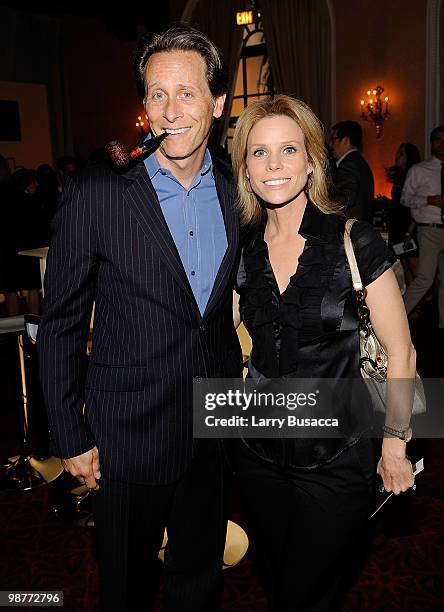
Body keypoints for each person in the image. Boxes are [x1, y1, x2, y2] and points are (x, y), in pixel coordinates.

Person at [38, 24, 243, 612]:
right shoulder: (97, 192)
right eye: (157, 94)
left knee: (200, 576)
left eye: (186, 93)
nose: (171, 110)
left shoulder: (239, 189)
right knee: (125, 584)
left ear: (217, 103)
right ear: (144, 104)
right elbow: (61, 323)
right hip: (124, 432)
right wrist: (70, 434)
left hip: (213, 423)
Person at [231, 95, 416, 611]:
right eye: (259, 152)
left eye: (288, 150)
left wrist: (394, 448)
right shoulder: (242, 249)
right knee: (283, 580)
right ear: (244, 165)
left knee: (302, 592)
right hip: (258, 455)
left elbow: (402, 353)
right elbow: (215, 337)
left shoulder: (354, 240)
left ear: (312, 160)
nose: (273, 166)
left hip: (338, 457)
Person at [401, 126, 444, 331]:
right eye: (438, 139)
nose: (442, 143)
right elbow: (405, 198)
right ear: (431, 142)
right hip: (429, 230)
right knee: (425, 278)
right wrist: (429, 199)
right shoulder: (419, 170)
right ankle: (396, 317)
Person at [386, 143, 421, 285]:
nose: (397, 156)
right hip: (398, 227)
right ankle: (412, 304)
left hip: (408, 228)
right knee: (405, 264)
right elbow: (399, 205)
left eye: (401, 154)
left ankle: (426, 302)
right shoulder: (399, 177)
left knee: (415, 267)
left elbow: (413, 207)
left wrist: (409, 232)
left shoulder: (412, 177)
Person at [330, 120, 375, 223]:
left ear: (345, 141)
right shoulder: (359, 162)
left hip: (350, 231)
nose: (331, 145)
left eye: (333, 139)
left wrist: (321, 204)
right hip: (361, 229)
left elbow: (346, 199)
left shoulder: (349, 164)